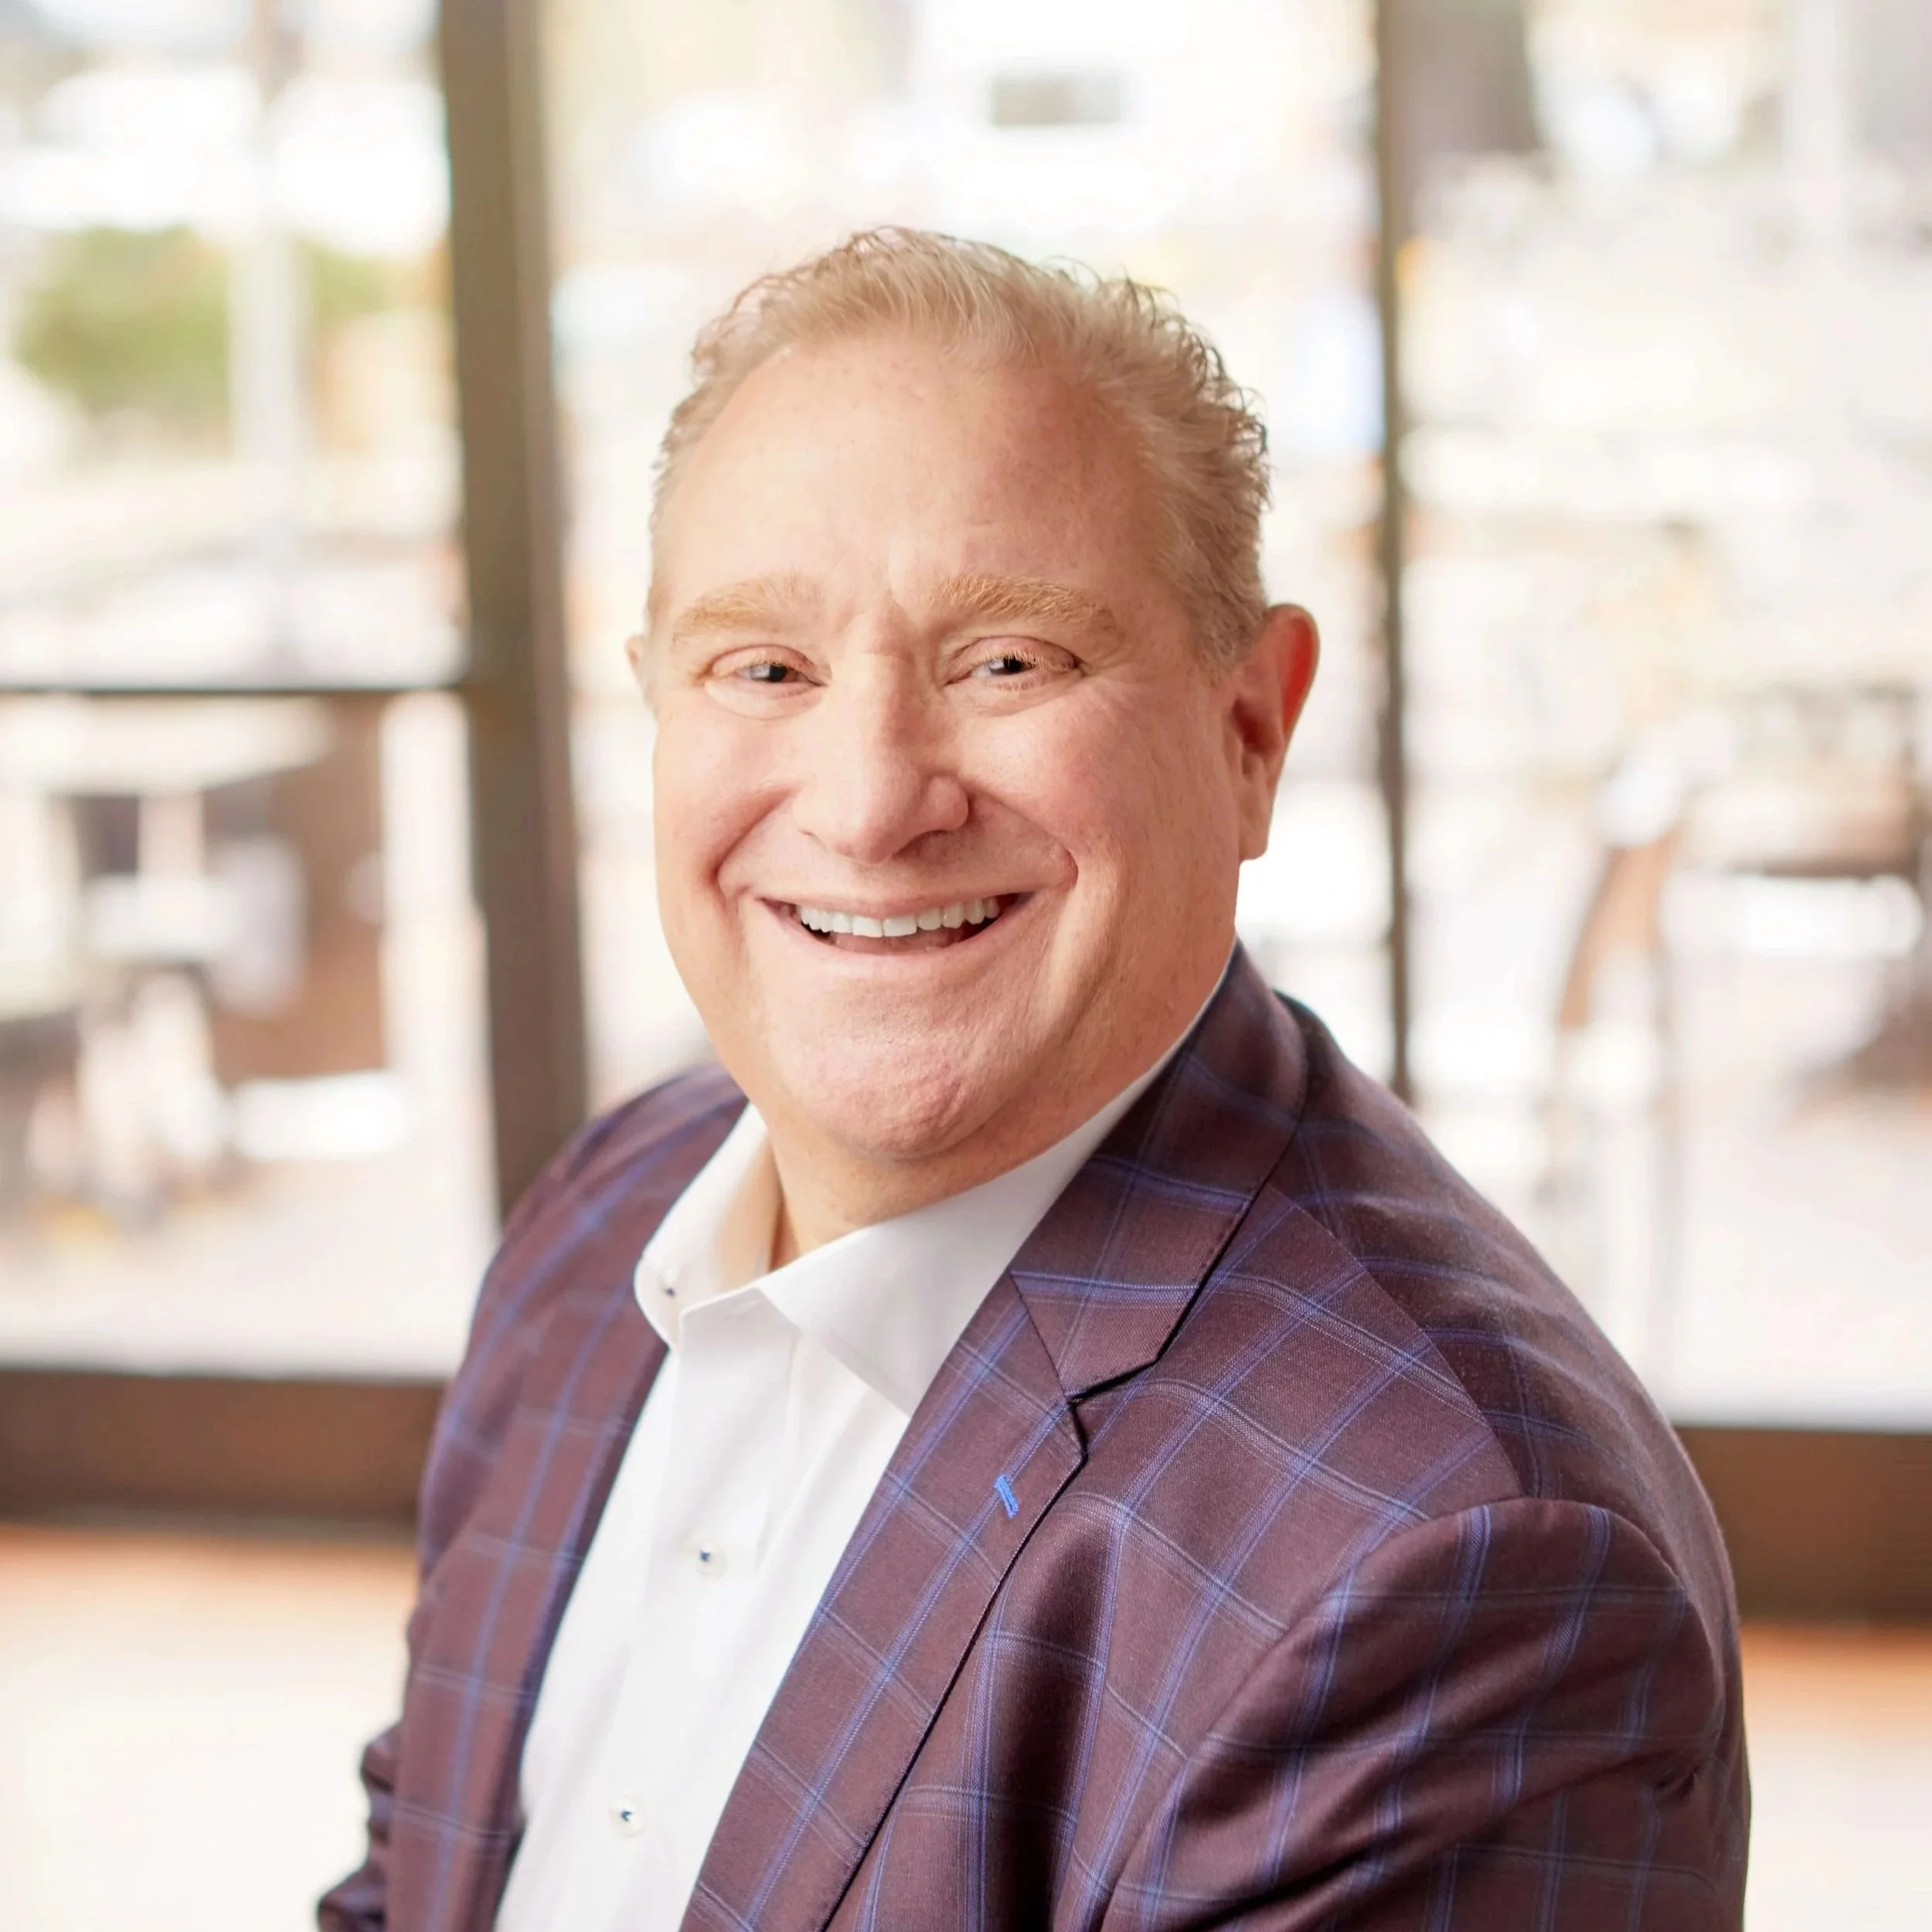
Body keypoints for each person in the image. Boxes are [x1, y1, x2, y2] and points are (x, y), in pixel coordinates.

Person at [321, 229, 1747, 1932]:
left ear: (1247, 734)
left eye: (1007, 661)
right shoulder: (606, 1215)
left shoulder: (1452, 1566)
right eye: (761, 667)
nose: (864, 800)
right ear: (653, 705)